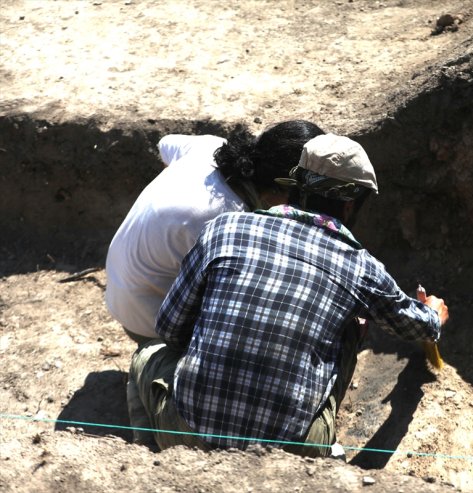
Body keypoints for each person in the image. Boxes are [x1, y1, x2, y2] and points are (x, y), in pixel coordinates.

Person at [126, 133, 450, 455]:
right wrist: (434, 312)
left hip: (185, 433)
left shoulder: (224, 229)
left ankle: (153, 461)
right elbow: (419, 327)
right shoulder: (360, 266)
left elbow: (169, 328)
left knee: (146, 355)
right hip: (290, 452)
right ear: (351, 205)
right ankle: (325, 445)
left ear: (294, 184)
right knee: (354, 323)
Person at [105, 120, 325, 344]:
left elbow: (165, 144)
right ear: (283, 187)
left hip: (119, 290)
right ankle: (158, 362)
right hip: (148, 322)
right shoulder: (230, 223)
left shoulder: (210, 147)